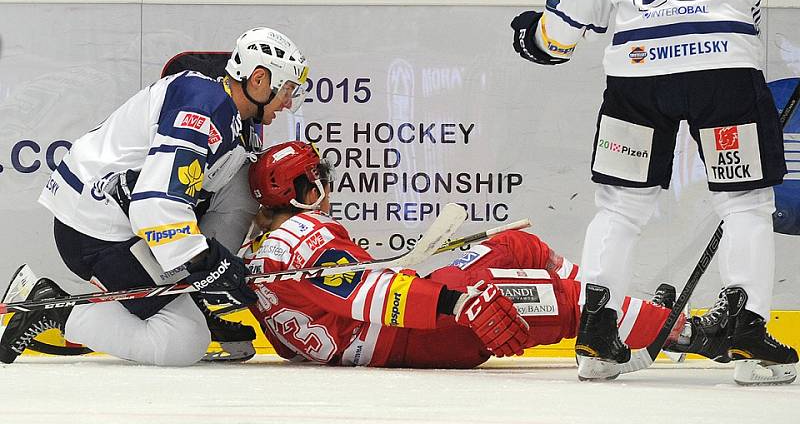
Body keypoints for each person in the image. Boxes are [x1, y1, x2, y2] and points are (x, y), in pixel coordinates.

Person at [510, 0, 799, 384]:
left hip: (637, 75)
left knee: (620, 207)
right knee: (743, 204)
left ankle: (596, 336)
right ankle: (747, 334)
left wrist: (536, 37)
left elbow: (564, 25)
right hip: (723, 67)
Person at [242, 141, 729, 370]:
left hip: (405, 324)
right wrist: (457, 303)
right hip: (414, 335)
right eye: (317, 178)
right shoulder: (300, 239)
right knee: (560, 302)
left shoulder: (258, 250)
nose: (326, 187)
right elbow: (372, 293)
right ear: (301, 189)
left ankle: (638, 310)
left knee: (518, 246)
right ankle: (688, 332)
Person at [0, 27, 309, 366]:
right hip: (93, 230)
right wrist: (205, 262)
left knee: (240, 184)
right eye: (288, 89)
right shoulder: (202, 106)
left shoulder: (231, 115)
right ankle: (48, 307)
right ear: (259, 80)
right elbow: (155, 205)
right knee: (183, 341)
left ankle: (195, 301)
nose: (289, 102)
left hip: (115, 216)